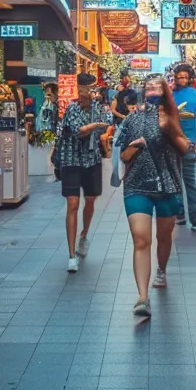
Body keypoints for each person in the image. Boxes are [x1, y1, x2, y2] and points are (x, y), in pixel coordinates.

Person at [114, 74, 192, 317]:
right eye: (148, 88)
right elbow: (123, 157)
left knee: (164, 236)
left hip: (167, 184)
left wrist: (169, 128)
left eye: (157, 87)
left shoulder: (172, 117)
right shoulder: (131, 120)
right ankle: (142, 297)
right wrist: (135, 146)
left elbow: (185, 150)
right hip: (137, 185)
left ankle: (162, 269)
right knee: (141, 239)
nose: (152, 91)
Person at [54, 73, 113, 272]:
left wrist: (98, 127)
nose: (88, 91)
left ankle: (84, 235)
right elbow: (79, 130)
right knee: (72, 203)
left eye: (91, 88)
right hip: (71, 159)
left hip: (92, 159)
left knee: (90, 201)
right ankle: (71, 255)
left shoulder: (99, 107)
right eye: (84, 87)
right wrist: (96, 126)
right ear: (78, 88)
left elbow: (108, 123)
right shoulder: (71, 108)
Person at [171, 63, 196, 228]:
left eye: (185, 77)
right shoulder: (170, 95)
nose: (182, 80)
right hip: (172, 143)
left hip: (189, 143)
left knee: (189, 180)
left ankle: (194, 214)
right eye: (180, 77)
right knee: (175, 180)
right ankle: (179, 213)